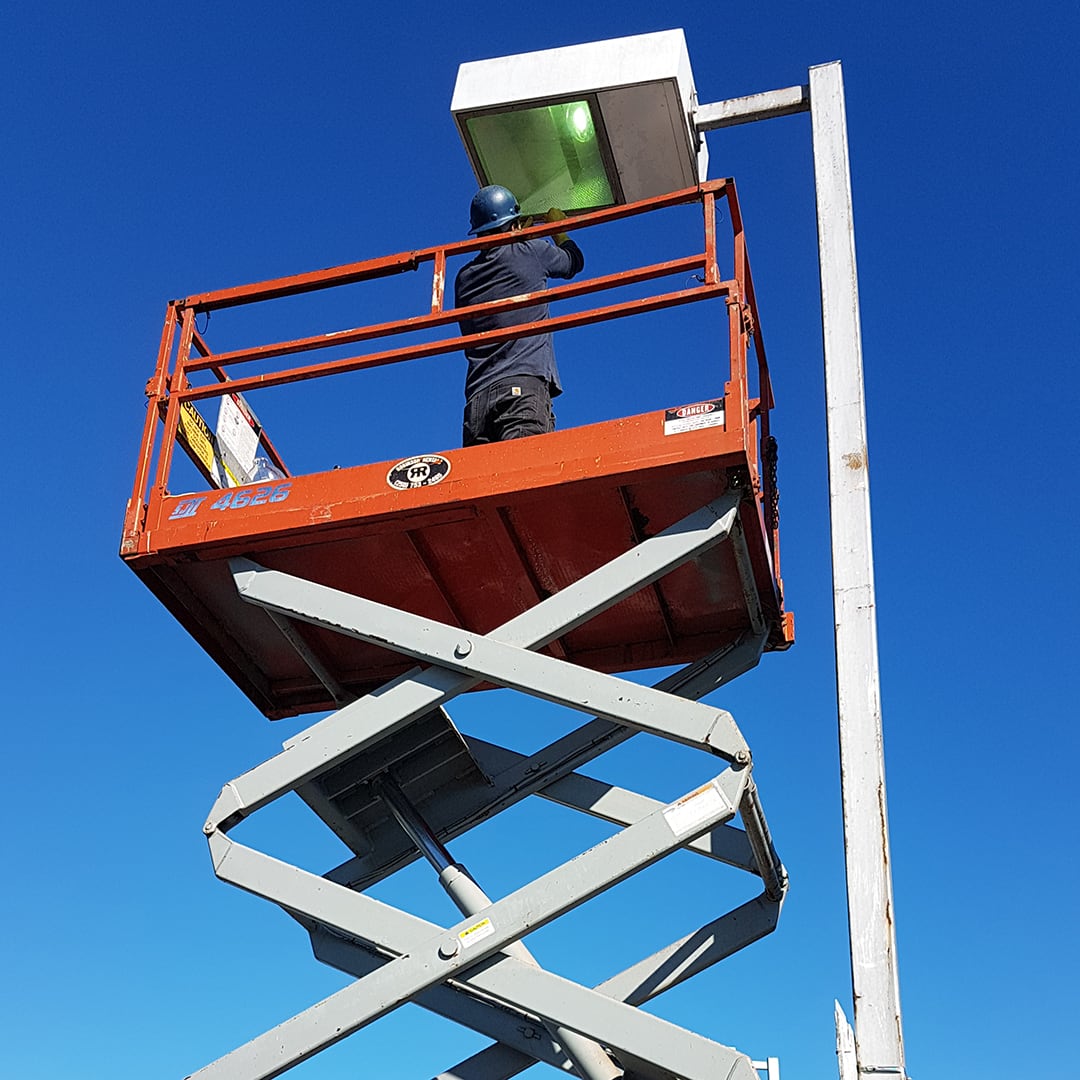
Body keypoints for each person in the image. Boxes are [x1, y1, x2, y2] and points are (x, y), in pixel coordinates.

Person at [454, 184, 585, 446]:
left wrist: (518, 238)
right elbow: (574, 262)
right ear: (513, 225)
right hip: (521, 389)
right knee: (527, 476)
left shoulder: (463, 277)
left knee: (487, 484)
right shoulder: (532, 252)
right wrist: (557, 230)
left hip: (477, 401)